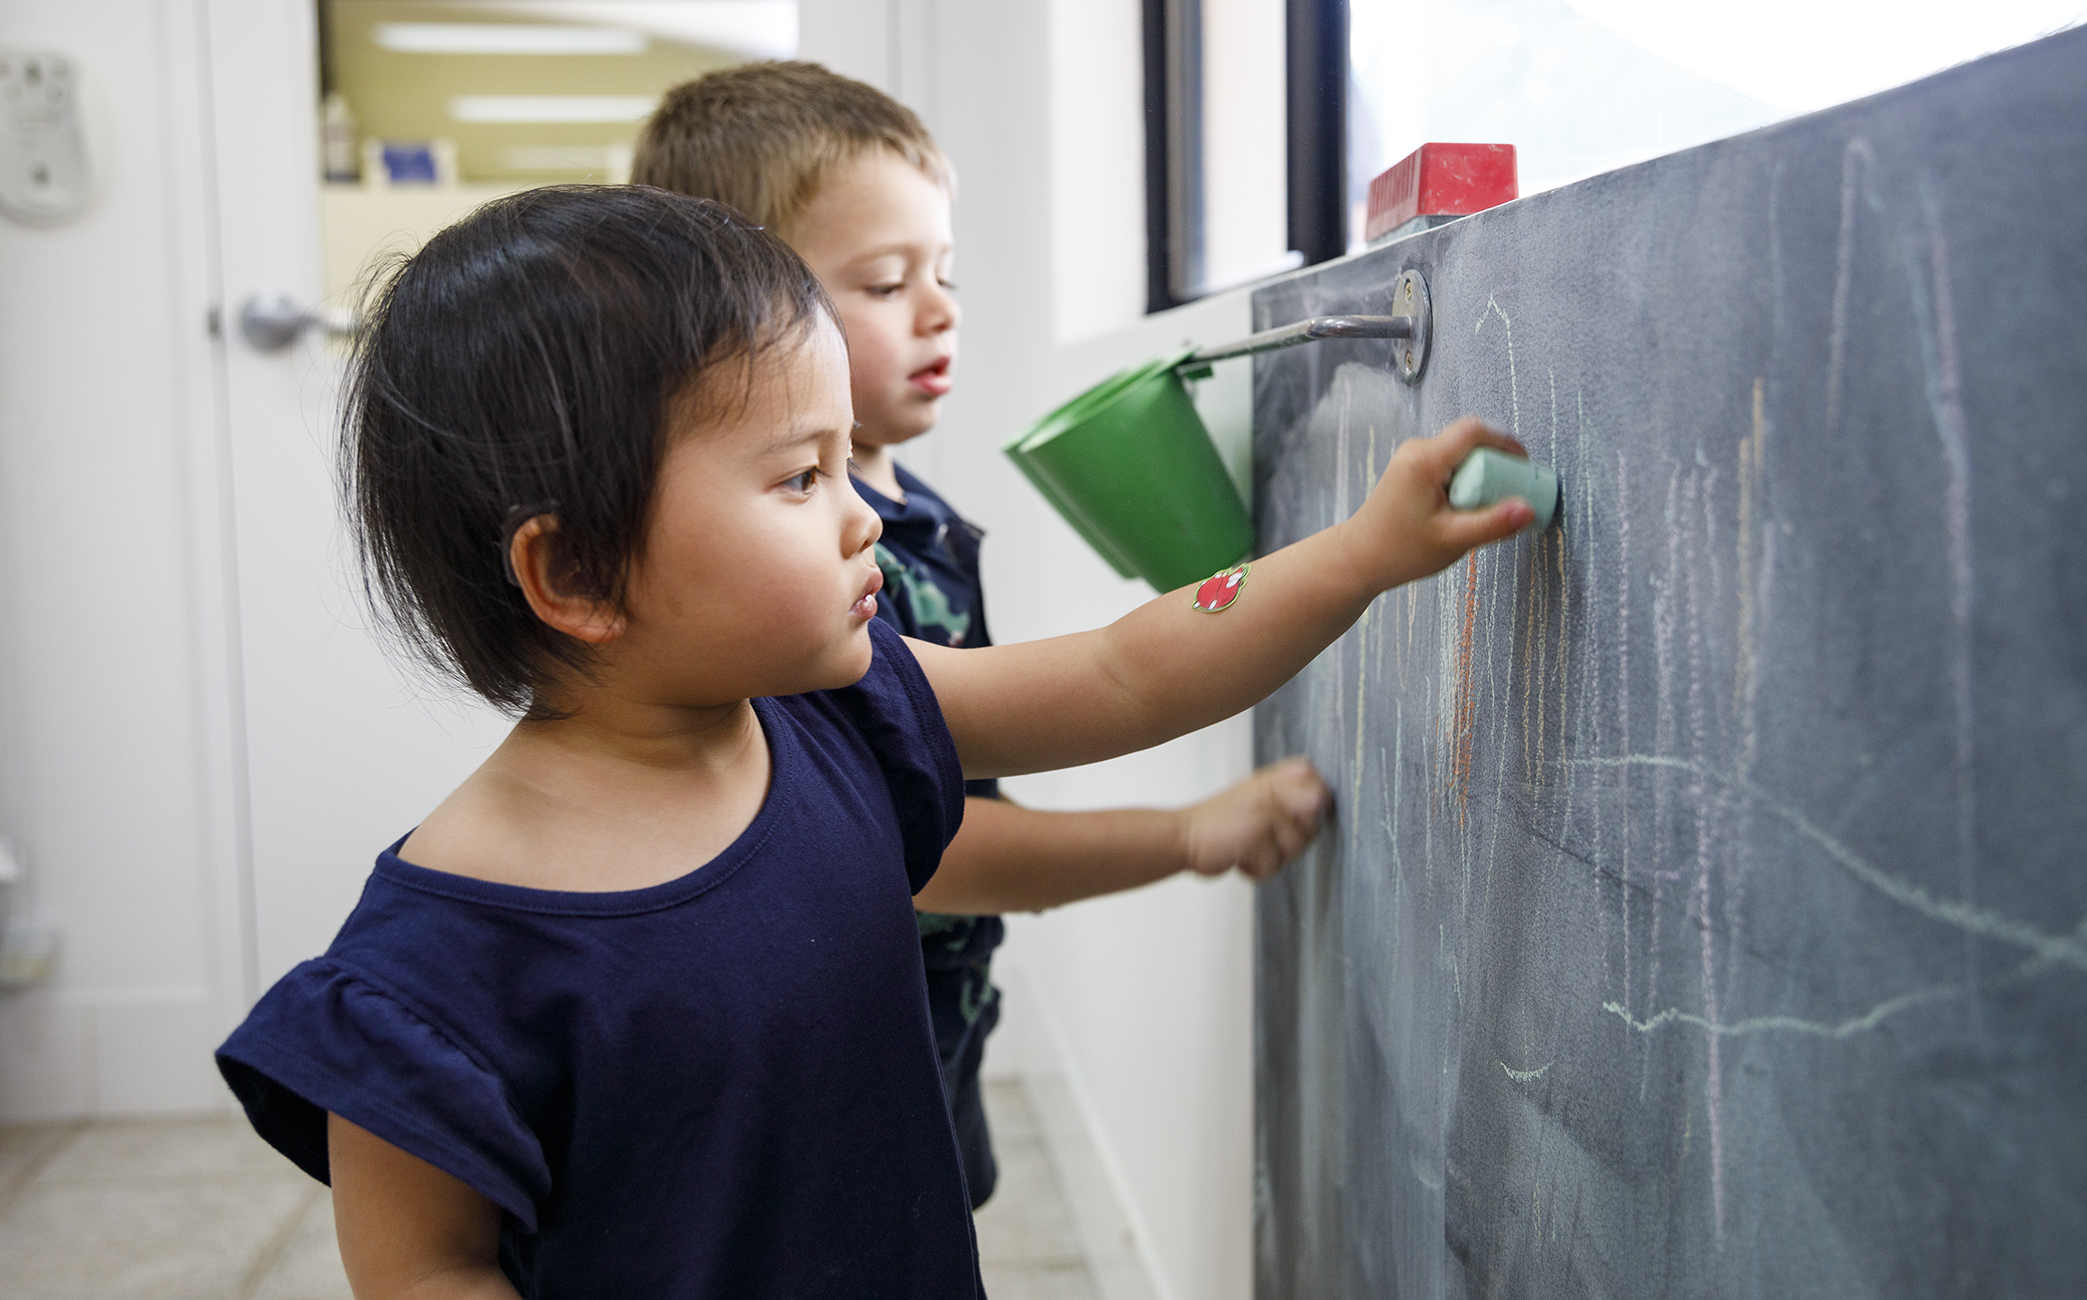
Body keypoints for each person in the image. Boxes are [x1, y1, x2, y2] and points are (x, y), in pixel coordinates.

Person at [214, 186, 1533, 1299]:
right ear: (574, 573)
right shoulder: (431, 977)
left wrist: (1361, 554)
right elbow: (426, 1271)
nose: (861, 518)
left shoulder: (843, 714)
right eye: (797, 477)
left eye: (850, 464)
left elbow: (1127, 671)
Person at [632, 63, 1331, 1205]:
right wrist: (1188, 831)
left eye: (944, 272)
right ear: (725, 310)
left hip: (931, 1014)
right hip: (838, 1055)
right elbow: (931, 856)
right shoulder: (799, 582)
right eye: (885, 279)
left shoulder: (900, 509)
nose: (941, 306)